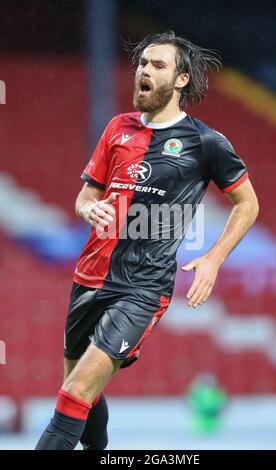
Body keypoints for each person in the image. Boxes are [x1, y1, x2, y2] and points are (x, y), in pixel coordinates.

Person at [35, 30, 259, 450]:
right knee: (81, 391)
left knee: (73, 395)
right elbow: (87, 194)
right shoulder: (118, 128)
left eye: (158, 65)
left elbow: (247, 204)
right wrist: (88, 208)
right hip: (88, 277)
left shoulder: (205, 142)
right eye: (142, 63)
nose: (144, 70)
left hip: (142, 286)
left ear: (181, 80)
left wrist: (212, 260)